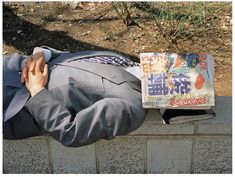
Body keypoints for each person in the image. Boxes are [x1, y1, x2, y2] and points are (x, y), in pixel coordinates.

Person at [3, 46, 148, 147]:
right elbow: (69, 59)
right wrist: (42, 54)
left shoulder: (132, 107)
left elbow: (71, 132)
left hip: (13, 103)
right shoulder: (124, 59)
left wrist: (37, 91)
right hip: (10, 66)